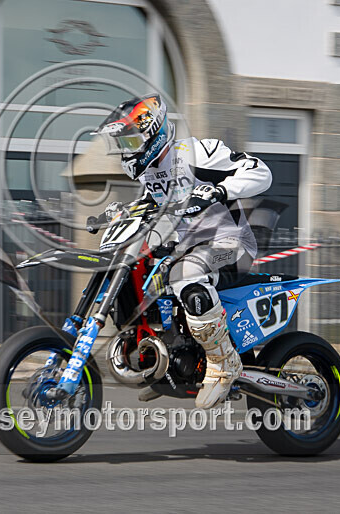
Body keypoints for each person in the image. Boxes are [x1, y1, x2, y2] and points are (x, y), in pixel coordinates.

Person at [92, 94, 272, 408]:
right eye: (123, 144)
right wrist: (125, 211)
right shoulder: (151, 171)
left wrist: (219, 189)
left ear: (153, 132)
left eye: (131, 141)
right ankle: (162, 360)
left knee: (184, 274)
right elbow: (157, 204)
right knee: (138, 268)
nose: (126, 150)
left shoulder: (195, 153)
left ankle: (224, 363)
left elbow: (261, 172)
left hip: (230, 245)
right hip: (188, 247)